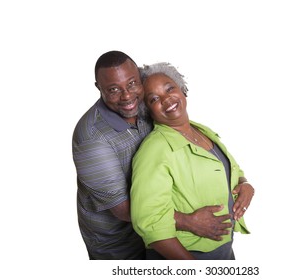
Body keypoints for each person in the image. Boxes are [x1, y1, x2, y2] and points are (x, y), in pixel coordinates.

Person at [72, 51, 248, 260]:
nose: (127, 96)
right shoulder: (92, 139)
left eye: (131, 84)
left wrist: (243, 183)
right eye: (113, 89)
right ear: (98, 88)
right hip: (120, 245)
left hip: (169, 236)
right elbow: (124, 210)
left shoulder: (148, 113)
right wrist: (189, 221)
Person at [131, 62, 255, 260]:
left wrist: (245, 184)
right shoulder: (154, 150)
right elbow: (149, 221)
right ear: (148, 109)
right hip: (187, 254)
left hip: (224, 249)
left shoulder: (201, 130)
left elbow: (231, 169)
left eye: (169, 88)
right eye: (154, 99)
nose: (166, 99)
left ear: (182, 89)